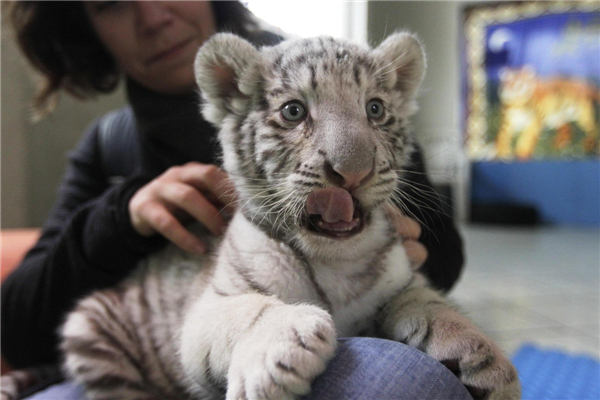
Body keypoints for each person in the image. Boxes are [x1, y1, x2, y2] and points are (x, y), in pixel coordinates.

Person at [1, 2, 466, 399]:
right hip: (152, 363)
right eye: (111, 2)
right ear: (85, 26)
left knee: (402, 379)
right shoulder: (108, 146)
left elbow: (444, 250)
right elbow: (18, 325)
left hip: (322, 336)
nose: (152, 16)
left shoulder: (341, 83)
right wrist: (118, 219)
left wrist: (391, 254)